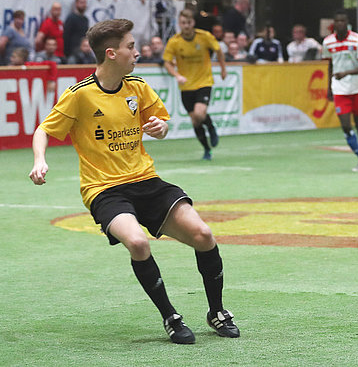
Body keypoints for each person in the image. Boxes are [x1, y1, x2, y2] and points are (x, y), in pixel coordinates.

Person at [28, 18, 240, 344]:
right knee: (138, 243)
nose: (137, 52)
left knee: (204, 234)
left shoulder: (138, 87)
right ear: (111, 53)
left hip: (145, 179)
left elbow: (161, 122)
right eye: (131, 46)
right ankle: (171, 317)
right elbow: (43, 129)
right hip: (104, 189)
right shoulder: (79, 95)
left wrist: (159, 127)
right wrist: (40, 160)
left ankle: (217, 312)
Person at [163, 9, 226, 161]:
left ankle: (211, 127)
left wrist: (223, 69)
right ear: (180, 24)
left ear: (193, 23)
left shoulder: (204, 37)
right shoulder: (174, 42)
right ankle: (206, 149)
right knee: (195, 121)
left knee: (199, 114)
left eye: (189, 23)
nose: (186, 26)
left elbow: (218, 50)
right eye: (183, 23)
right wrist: (177, 75)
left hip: (204, 81)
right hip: (186, 86)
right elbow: (167, 62)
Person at [322, 9, 358, 172]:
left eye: (343, 21)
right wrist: (329, 86)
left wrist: (346, 73)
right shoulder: (328, 42)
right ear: (333, 24)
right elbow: (330, 65)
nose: (340, 24)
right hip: (340, 89)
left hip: (357, 87)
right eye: (337, 21)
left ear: (348, 23)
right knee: (345, 126)